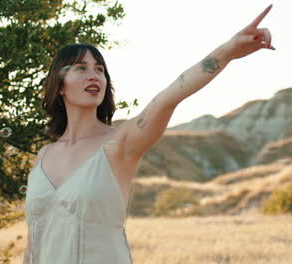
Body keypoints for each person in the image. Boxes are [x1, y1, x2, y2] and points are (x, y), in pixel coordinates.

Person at [23, 4, 274, 264]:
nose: (94, 75)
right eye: (81, 68)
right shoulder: (44, 156)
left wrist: (228, 51)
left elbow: (167, 99)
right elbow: (33, 246)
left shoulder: (119, 143)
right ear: (59, 86)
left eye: (99, 69)